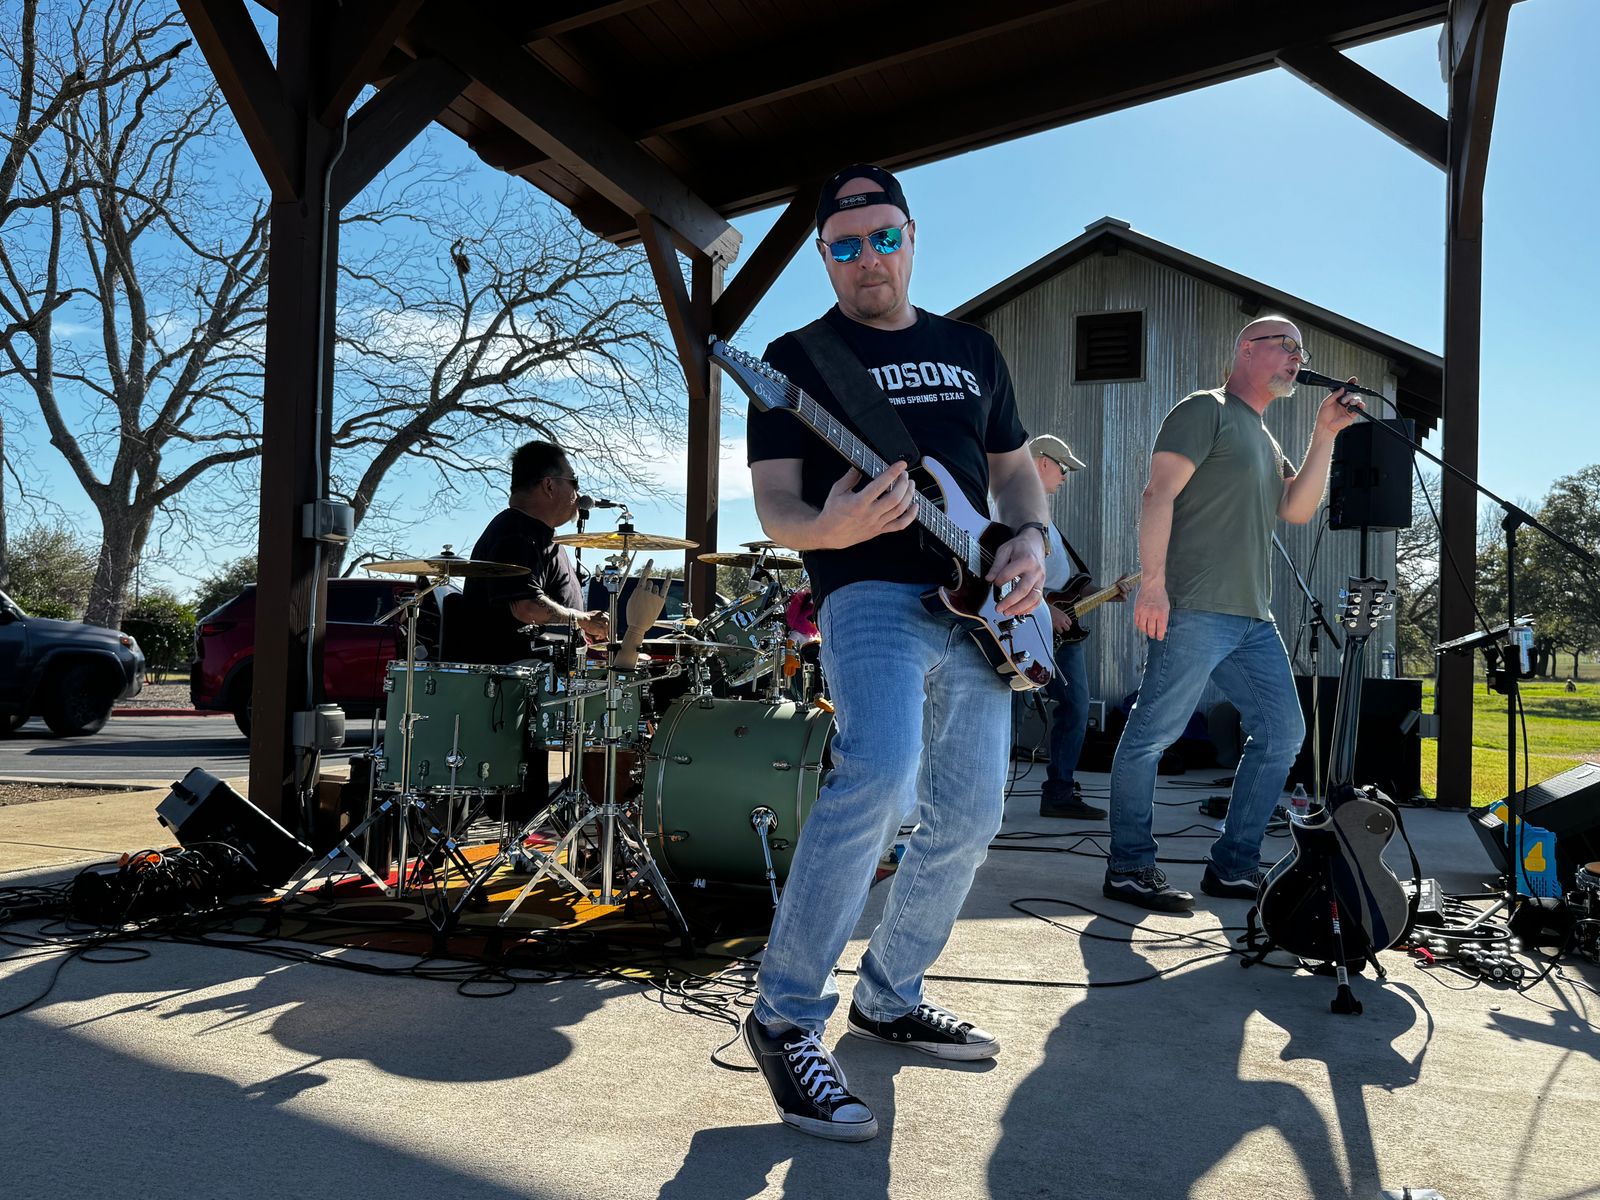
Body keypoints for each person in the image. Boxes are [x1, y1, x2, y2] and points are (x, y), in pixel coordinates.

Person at [741, 164, 1050, 1141]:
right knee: (878, 771)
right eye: (844, 245)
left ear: (911, 238)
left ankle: (889, 993)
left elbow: (1013, 475)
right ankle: (783, 1017)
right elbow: (777, 506)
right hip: (869, 590)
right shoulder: (794, 360)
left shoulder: (971, 350)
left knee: (974, 810)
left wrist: (1030, 539)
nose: (866, 258)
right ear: (824, 256)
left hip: (979, 607)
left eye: (883, 238)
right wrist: (827, 529)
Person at [1104, 317, 1363, 912]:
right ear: (1247, 349)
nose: (1297, 358)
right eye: (1287, 346)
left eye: (1301, 351)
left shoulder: (1265, 437)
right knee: (1151, 735)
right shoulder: (1206, 409)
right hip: (1194, 606)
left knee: (1282, 733)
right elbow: (1157, 494)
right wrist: (1153, 586)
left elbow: (1296, 509)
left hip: (1252, 616)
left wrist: (1325, 433)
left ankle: (1234, 865)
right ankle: (1129, 866)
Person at [1028, 433, 1130, 820]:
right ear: (1042, 462)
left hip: (1059, 634)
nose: (1065, 477)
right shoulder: (1007, 508)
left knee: (1076, 706)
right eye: (1063, 468)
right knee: (1004, 709)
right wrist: (1043, 609)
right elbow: (997, 569)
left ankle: (1059, 792)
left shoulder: (1045, 519)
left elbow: (1067, 583)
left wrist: (1106, 592)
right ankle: (991, 795)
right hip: (1026, 626)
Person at [459, 440, 609, 666]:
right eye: (574, 482)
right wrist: (583, 620)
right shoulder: (515, 533)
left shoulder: (539, 535)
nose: (578, 494)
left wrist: (585, 628)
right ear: (549, 485)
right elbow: (527, 608)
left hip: (546, 678)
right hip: (512, 680)